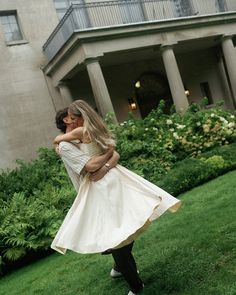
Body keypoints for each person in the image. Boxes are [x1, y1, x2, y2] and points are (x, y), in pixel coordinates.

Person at [52, 100, 181, 295]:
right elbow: (91, 165)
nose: (73, 122)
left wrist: (106, 165)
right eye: (70, 119)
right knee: (118, 234)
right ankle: (124, 271)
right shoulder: (66, 145)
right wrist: (107, 156)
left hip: (109, 183)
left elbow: (110, 157)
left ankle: (133, 283)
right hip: (97, 189)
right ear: (66, 121)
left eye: (74, 118)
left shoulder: (83, 133)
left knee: (123, 230)